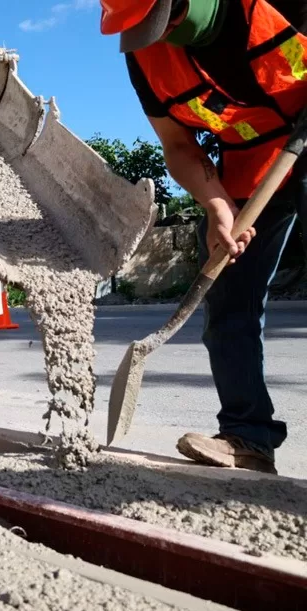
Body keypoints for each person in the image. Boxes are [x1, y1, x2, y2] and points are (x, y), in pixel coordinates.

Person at [100, 0, 307, 473]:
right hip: (253, 165)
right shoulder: (144, 54)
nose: (158, 36)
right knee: (228, 299)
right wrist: (216, 205)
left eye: (162, 21)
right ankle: (248, 437)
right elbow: (177, 145)